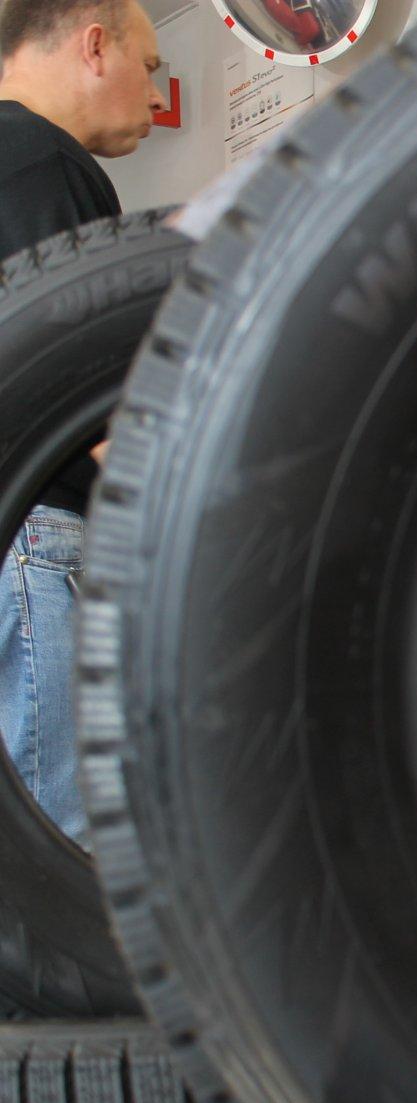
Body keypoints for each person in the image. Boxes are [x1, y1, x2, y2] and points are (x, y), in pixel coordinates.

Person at [0, 0, 164, 842]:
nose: (155, 89)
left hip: (18, 544)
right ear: (95, 47)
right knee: (66, 855)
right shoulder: (39, 160)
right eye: (150, 62)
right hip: (38, 539)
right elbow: (93, 388)